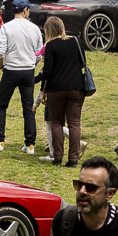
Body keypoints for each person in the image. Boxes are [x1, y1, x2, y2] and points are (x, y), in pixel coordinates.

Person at [0, 2, 43, 153]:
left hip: (11, 70)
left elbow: (0, 52)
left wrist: (1, 65)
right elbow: (39, 52)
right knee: (28, 107)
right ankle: (30, 144)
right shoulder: (35, 28)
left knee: (2, 105)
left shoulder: (7, 27)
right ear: (25, 10)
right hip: (28, 70)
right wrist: (33, 64)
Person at [39, 16, 88, 166]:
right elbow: (82, 63)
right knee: (74, 123)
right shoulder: (77, 42)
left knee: (56, 122)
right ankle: (73, 159)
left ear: (48, 30)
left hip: (56, 88)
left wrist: (43, 90)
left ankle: (57, 157)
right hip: (76, 87)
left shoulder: (51, 46)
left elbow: (47, 71)